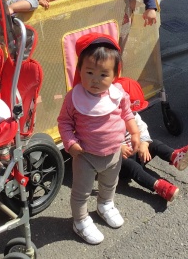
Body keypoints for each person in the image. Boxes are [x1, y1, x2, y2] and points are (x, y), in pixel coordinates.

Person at [57, 33, 140, 245]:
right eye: (89, 72)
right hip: (85, 155)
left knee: (109, 184)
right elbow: (64, 122)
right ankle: (80, 220)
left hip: (114, 152)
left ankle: (105, 204)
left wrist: (135, 133)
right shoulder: (74, 98)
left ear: (114, 75)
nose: (95, 79)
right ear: (79, 70)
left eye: (103, 74)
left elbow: (127, 114)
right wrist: (70, 143)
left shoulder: (118, 93)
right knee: (81, 192)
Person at [116, 77, 188, 202]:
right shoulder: (108, 121)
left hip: (137, 152)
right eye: (130, 110)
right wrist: (118, 148)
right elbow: (100, 140)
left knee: (154, 143)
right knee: (133, 167)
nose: (132, 114)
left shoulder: (133, 115)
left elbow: (142, 128)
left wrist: (144, 144)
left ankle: (175, 157)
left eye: (134, 111)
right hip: (118, 165)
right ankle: (158, 186)